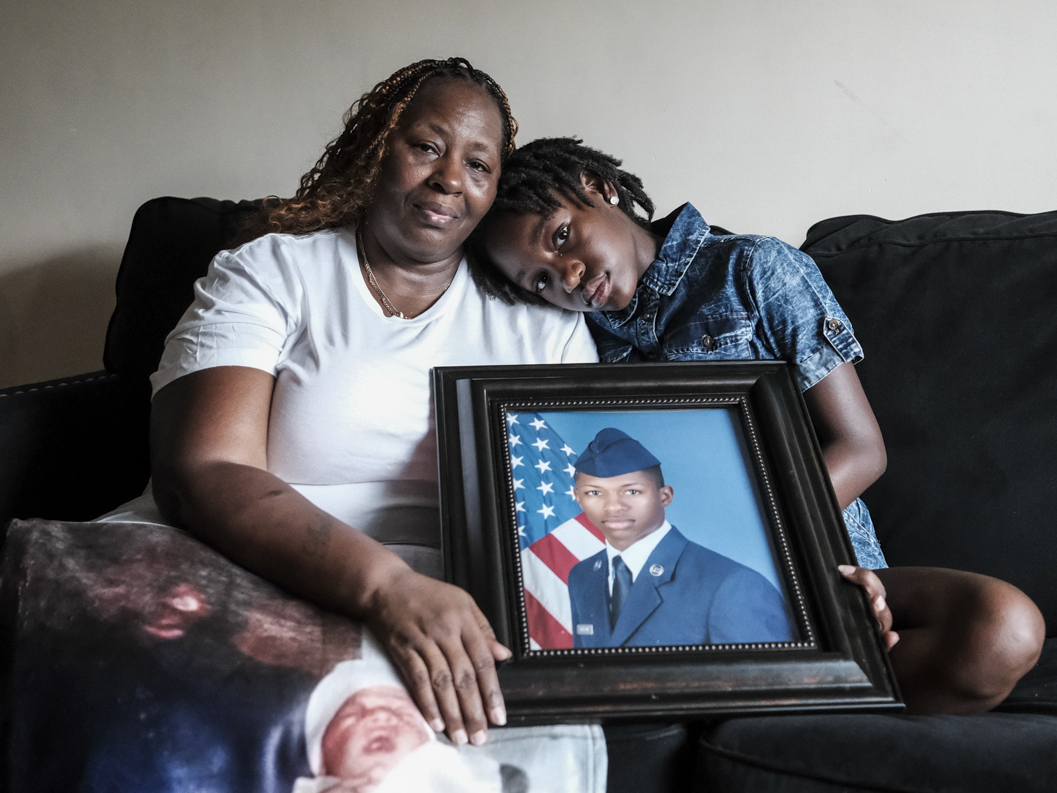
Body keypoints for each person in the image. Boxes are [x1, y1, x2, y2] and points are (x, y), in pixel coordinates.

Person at [475, 136, 1046, 715]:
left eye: (562, 237)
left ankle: (813, 680)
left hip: (815, 558)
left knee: (1003, 628)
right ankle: (798, 691)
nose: (568, 276)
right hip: (678, 586)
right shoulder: (580, 348)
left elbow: (861, 449)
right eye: (540, 281)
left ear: (600, 188)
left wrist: (762, 548)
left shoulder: (751, 268)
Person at [143, 61, 600, 754]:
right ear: (375, 148)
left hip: (465, 601)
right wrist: (388, 589)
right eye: (427, 147)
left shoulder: (544, 322)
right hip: (256, 568)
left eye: (479, 164)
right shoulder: (274, 270)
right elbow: (203, 470)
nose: (450, 178)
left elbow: (578, 509)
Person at [567, 427, 794, 648]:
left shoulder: (733, 586)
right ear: (578, 498)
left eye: (632, 491)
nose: (613, 506)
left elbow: (767, 674)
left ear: (665, 496)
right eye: (594, 493)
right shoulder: (582, 576)